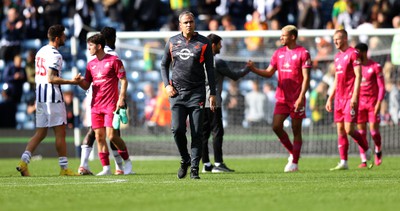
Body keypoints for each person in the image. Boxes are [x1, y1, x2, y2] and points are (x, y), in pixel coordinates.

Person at [16, 24, 81, 176]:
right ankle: (64, 168)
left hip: (40, 98)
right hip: (52, 98)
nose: (65, 38)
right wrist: (73, 82)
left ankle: (23, 162)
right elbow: (51, 78)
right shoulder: (56, 55)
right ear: (58, 38)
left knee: (40, 133)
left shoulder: (40, 51)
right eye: (63, 36)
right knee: (60, 133)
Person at [247, 25, 312, 172]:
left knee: (296, 130)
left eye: (284, 35)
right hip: (282, 98)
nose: (281, 38)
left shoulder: (303, 53)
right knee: (276, 126)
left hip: (297, 98)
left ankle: (294, 163)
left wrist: (301, 97)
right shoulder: (278, 53)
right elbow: (269, 73)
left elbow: (307, 78)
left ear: (293, 37)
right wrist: (254, 69)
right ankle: (293, 152)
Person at [160, 11, 216, 179]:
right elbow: (163, 65)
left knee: (197, 132)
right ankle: (185, 159)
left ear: (195, 23)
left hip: (196, 94)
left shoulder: (204, 43)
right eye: (186, 22)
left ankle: (194, 169)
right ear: (180, 25)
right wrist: (166, 85)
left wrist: (212, 93)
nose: (189, 24)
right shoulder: (172, 42)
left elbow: (210, 69)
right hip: (176, 94)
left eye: (191, 21)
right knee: (177, 130)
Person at [78, 26, 132, 176]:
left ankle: (127, 163)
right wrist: (77, 81)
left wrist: (121, 98)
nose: (88, 48)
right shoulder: (90, 64)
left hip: (110, 105)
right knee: (98, 137)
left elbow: (124, 80)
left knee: (112, 136)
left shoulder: (114, 60)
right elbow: (86, 85)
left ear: (99, 46)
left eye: (91, 45)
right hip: (95, 105)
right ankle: (106, 168)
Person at [201, 33, 250, 173]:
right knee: (217, 132)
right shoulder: (218, 62)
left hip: (199, 102)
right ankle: (218, 163)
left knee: (203, 134)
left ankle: (206, 165)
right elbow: (234, 76)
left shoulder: (198, 61)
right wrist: (248, 68)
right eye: (219, 44)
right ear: (212, 45)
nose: (221, 47)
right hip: (213, 102)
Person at [325, 29, 372, 171]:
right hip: (339, 98)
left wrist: (355, 96)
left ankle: (366, 148)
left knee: (349, 129)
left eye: (337, 39)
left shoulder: (353, 53)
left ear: (345, 39)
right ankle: (343, 161)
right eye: (334, 39)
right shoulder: (337, 57)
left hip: (349, 97)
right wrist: (330, 98)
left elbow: (359, 75)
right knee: (340, 130)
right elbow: (336, 79)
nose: (335, 42)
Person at [354, 43, 385, 167]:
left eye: (358, 52)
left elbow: (382, 87)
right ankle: (364, 160)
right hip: (360, 104)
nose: (355, 55)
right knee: (361, 134)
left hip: (372, 103)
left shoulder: (375, 66)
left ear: (364, 52)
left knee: (373, 132)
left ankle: (378, 149)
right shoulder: (356, 67)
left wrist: (379, 103)